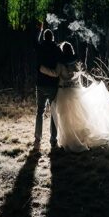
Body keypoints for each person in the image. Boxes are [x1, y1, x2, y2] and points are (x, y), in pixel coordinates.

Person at [41, 40, 109, 152]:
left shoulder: (60, 64)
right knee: (79, 116)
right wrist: (95, 81)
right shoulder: (77, 62)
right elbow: (86, 73)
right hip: (77, 92)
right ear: (71, 50)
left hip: (64, 94)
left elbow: (54, 73)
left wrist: (42, 69)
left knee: (67, 119)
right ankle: (80, 137)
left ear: (62, 51)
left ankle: (70, 140)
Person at [33, 22, 60, 151]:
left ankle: (37, 139)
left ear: (44, 37)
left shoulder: (40, 47)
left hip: (40, 84)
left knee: (40, 112)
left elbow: (34, 41)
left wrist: (39, 30)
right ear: (53, 38)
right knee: (53, 113)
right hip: (53, 86)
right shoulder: (56, 49)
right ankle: (53, 140)